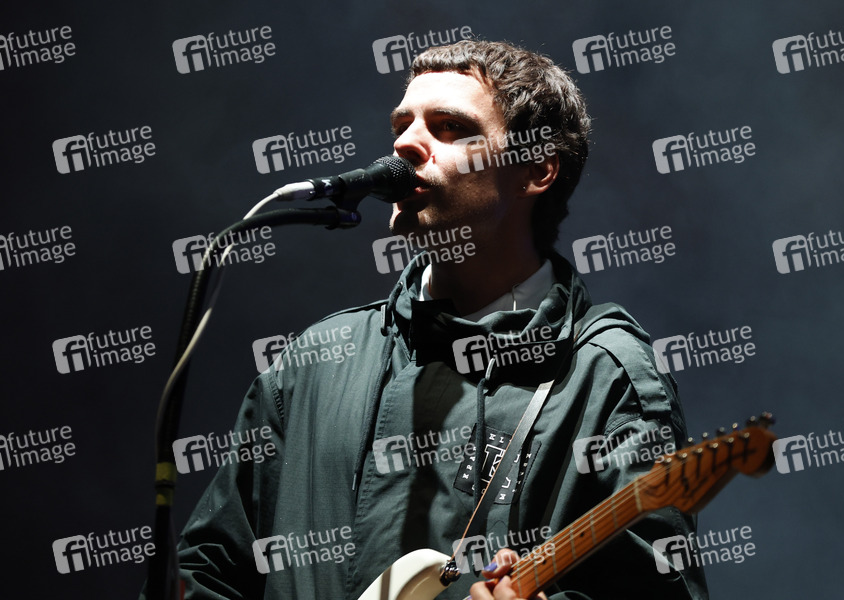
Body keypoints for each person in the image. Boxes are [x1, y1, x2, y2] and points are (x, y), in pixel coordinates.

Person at [163, 40, 708, 599]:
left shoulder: (606, 374)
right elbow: (208, 573)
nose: (405, 143)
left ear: (536, 170)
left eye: (449, 127)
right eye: (402, 125)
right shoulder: (316, 360)